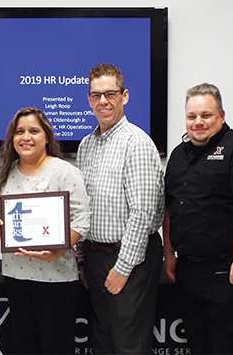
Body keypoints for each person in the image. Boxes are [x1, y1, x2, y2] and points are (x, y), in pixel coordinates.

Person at [163, 83, 233, 355]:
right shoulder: (178, 154)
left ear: (221, 115)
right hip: (188, 270)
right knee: (199, 346)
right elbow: (170, 206)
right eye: (191, 116)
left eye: (206, 115)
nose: (198, 122)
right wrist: (169, 253)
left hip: (228, 270)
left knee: (228, 347)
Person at [76, 63, 164, 355]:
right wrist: (82, 262)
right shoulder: (86, 145)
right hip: (96, 257)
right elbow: (81, 207)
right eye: (96, 95)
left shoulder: (136, 143)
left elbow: (143, 213)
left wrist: (123, 268)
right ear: (89, 99)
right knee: (102, 340)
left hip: (129, 259)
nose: (103, 101)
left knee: (129, 345)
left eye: (110, 94)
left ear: (124, 96)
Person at [0, 107, 90, 355]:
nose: (26, 137)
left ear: (47, 136)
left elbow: (82, 221)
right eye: (19, 131)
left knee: (55, 348)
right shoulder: (3, 173)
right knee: (23, 346)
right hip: (16, 276)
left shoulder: (65, 172)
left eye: (34, 131)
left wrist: (58, 251)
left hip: (55, 278)